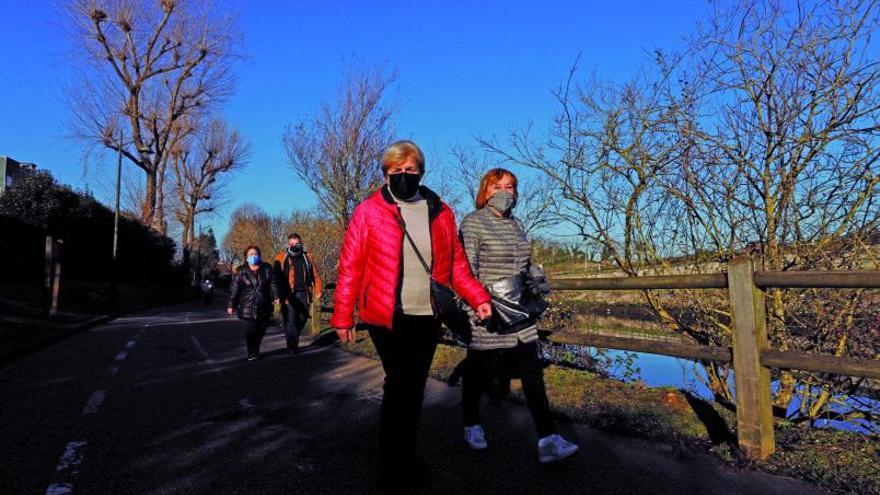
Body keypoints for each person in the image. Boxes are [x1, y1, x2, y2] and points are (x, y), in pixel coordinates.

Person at [330, 140, 492, 488]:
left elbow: (457, 268)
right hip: (387, 316)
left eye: (410, 170)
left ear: (421, 171)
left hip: (428, 314)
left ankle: (404, 453)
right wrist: (343, 316)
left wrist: (478, 298)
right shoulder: (369, 212)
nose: (404, 176)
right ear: (385, 174)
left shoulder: (441, 211)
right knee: (399, 384)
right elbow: (351, 267)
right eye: (396, 171)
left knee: (414, 388)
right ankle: (394, 462)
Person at [458, 168, 579, 463]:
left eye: (509, 186)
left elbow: (522, 264)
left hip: (520, 310)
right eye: (497, 186)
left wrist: (534, 275)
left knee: (532, 373)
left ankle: (548, 438)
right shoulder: (473, 223)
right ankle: (471, 423)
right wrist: (474, 305)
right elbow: (465, 270)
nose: (504, 192)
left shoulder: (517, 224)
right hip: (487, 310)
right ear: (485, 190)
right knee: (477, 372)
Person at [227, 245, 280, 361]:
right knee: (250, 331)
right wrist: (231, 304)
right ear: (246, 257)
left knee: (261, 330)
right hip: (247, 305)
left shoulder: (267, 268)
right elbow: (234, 289)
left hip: (264, 305)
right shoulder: (241, 271)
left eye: (255, 254)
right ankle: (252, 353)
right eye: (251, 254)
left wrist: (276, 296)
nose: (253, 256)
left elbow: (273, 284)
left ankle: (256, 348)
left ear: (259, 256)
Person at [273, 233, 323, 353]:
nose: (294, 246)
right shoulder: (280, 258)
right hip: (287, 293)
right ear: (287, 245)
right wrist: (276, 295)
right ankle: (292, 346)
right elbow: (275, 278)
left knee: (303, 316)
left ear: (301, 244)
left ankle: (292, 335)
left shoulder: (307, 257)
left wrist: (318, 289)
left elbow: (315, 275)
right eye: (291, 244)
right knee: (290, 319)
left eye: (297, 244)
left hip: (303, 293)